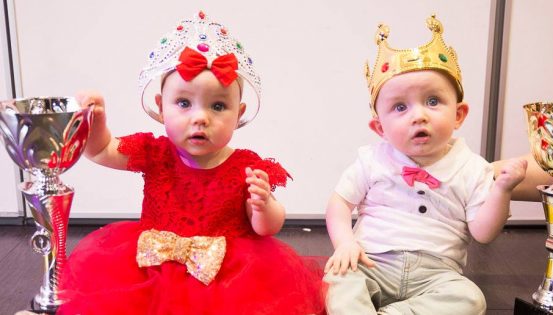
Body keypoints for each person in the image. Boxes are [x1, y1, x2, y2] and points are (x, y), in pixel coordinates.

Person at [56, 11, 324, 315]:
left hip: (227, 273)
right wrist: (96, 119)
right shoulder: (155, 153)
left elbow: (266, 228)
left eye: (218, 106)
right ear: (160, 108)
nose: (200, 117)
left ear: (239, 114)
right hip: (152, 267)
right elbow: (102, 149)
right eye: (183, 103)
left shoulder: (246, 166)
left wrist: (262, 206)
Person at [322, 15, 527, 315]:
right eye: (400, 107)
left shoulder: (472, 167)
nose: (419, 115)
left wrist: (502, 190)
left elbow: (483, 232)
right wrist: (345, 244)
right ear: (380, 128)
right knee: (338, 278)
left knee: (470, 298)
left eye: (432, 101)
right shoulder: (372, 159)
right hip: (371, 262)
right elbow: (339, 203)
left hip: (437, 274)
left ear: (458, 114)